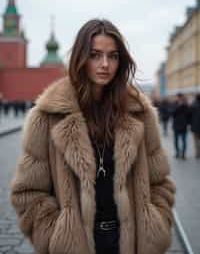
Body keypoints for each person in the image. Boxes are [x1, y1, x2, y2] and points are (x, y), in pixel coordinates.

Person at [10, 19, 175, 254]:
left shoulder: (140, 114)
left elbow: (160, 183)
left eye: (113, 56)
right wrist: (55, 237)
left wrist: (155, 225)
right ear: (81, 58)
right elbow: (28, 192)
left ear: (121, 61)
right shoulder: (47, 117)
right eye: (95, 55)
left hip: (130, 243)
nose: (105, 64)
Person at [171, 93, 190, 160]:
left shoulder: (186, 105)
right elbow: (172, 113)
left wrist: (188, 123)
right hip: (176, 125)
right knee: (176, 141)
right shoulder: (174, 104)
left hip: (183, 126)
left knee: (184, 140)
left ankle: (183, 154)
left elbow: (188, 114)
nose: (178, 98)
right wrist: (179, 106)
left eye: (179, 97)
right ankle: (177, 153)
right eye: (177, 97)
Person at [189, 94, 200, 159]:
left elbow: (189, 116)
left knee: (196, 141)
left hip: (195, 126)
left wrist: (190, 124)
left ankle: (197, 153)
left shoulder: (193, 105)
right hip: (195, 126)